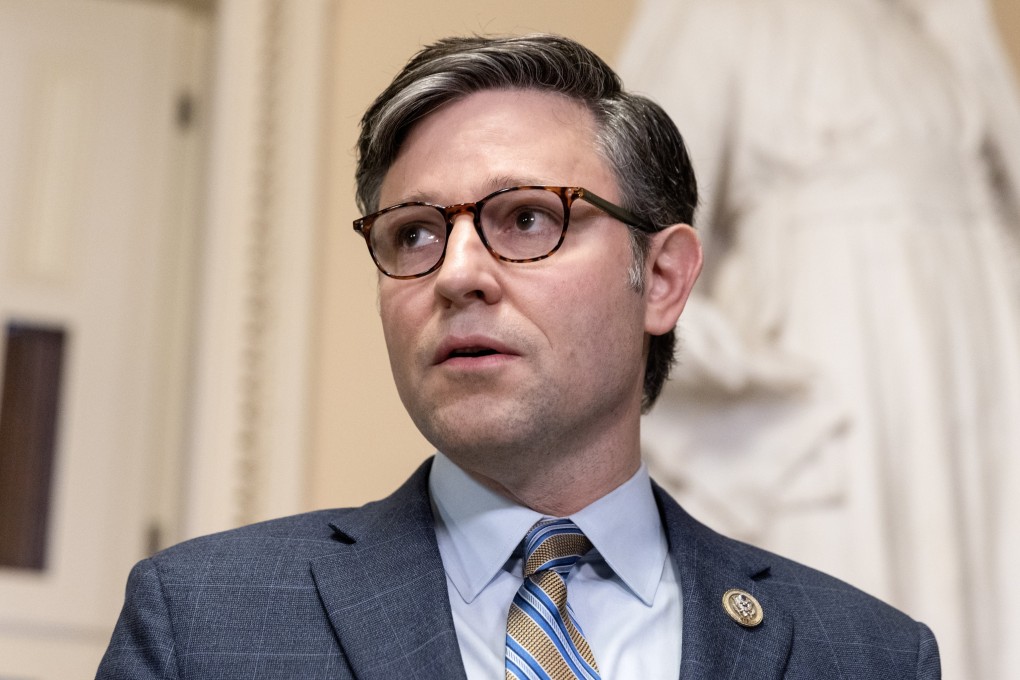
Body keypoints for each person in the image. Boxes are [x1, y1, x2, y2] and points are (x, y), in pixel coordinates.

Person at [96, 34, 941, 679]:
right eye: (415, 234)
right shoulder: (207, 624)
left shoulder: (867, 654)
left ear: (663, 279)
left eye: (528, 218)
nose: (457, 274)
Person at [618, 1, 1020, 677]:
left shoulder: (945, 26)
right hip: (837, 412)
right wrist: (763, 395)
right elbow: (631, 243)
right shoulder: (716, 16)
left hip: (980, 409)